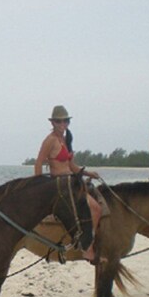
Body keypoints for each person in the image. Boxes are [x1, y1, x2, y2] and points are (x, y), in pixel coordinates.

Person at [34, 105, 101, 262]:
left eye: (65, 122)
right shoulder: (50, 140)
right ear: (53, 123)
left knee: (98, 202)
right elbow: (38, 163)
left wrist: (88, 173)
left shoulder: (64, 139)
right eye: (59, 122)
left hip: (71, 181)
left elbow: (72, 166)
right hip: (60, 184)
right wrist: (38, 186)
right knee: (95, 209)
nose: (62, 125)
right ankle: (87, 248)